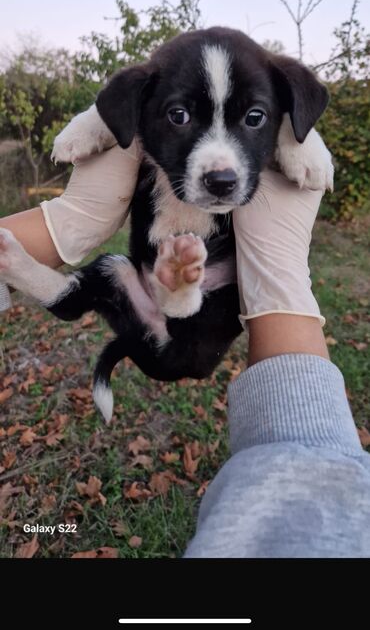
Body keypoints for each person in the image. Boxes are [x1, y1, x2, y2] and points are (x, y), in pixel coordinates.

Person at [1, 142, 370, 557]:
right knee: (114, 271)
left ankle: (175, 293)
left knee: (153, 282)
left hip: (198, 312)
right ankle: (164, 292)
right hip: (160, 284)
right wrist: (76, 207)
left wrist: (67, 220)